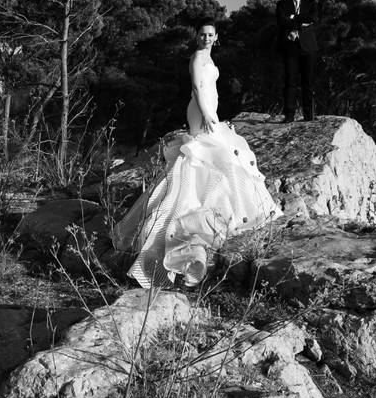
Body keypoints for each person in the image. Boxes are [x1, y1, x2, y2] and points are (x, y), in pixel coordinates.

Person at [113, 19, 282, 288]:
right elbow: (196, 87)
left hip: (209, 108)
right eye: (202, 34)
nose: (206, 38)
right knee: (206, 154)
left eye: (210, 35)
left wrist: (212, 111)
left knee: (220, 154)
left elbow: (209, 87)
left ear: (216, 38)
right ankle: (188, 211)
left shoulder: (209, 57)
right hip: (200, 110)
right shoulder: (196, 57)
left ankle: (216, 206)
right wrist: (205, 113)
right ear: (197, 37)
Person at [276, 0, 318, 122]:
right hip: (290, 46)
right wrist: (302, 22)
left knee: (308, 82)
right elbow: (281, 21)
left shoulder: (312, 4)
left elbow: (313, 19)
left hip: (308, 46)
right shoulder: (282, 4)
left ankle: (309, 115)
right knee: (290, 82)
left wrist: (293, 18)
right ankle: (289, 115)